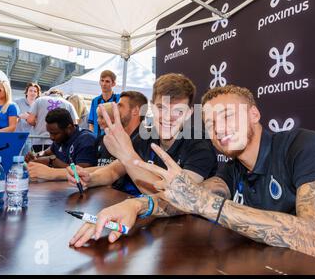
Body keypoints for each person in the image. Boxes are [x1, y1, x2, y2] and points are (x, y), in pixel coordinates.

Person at [69, 85, 315, 275]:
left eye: (228, 116)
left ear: (254, 114)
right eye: (211, 123)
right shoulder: (232, 168)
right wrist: (139, 206)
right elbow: (191, 196)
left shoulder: (303, 145)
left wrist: (205, 203)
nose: (219, 129)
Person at [66, 73, 217, 197]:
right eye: (161, 108)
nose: (167, 117)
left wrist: (127, 156)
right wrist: (89, 179)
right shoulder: (147, 135)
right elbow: (114, 170)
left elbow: (178, 196)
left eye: (178, 111)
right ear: (151, 108)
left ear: (188, 114)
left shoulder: (199, 144)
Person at [28, 92, 147, 181]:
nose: (115, 108)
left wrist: (51, 172)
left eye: (120, 105)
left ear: (136, 110)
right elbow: (109, 170)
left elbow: (110, 171)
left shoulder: (144, 140)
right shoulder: (107, 139)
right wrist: (87, 180)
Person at [25, 108, 96, 172]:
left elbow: (82, 172)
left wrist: (52, 161)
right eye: (49, 133)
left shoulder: (86, 140)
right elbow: (47, 152)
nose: (51, 137)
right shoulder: (61, 139)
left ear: (69, 128)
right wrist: (36, 156)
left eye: (55, 133)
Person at [26, 89, 78, 153]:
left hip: (39, 140)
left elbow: (30, 120)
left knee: (38, 160)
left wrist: (38, 124)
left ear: (49, 93)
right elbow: (74, 124)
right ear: (61, 95)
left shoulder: (39, 100)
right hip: (60, 142)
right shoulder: (68, 104)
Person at [88, 70, 120, 136]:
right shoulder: (95, 101)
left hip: (114, 138)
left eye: (107, 81)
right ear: (99, 82)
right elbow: (91, 123)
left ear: (113, 84)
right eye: (102, 81)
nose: (104, 84)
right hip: (97, 139)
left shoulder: (119, 99)